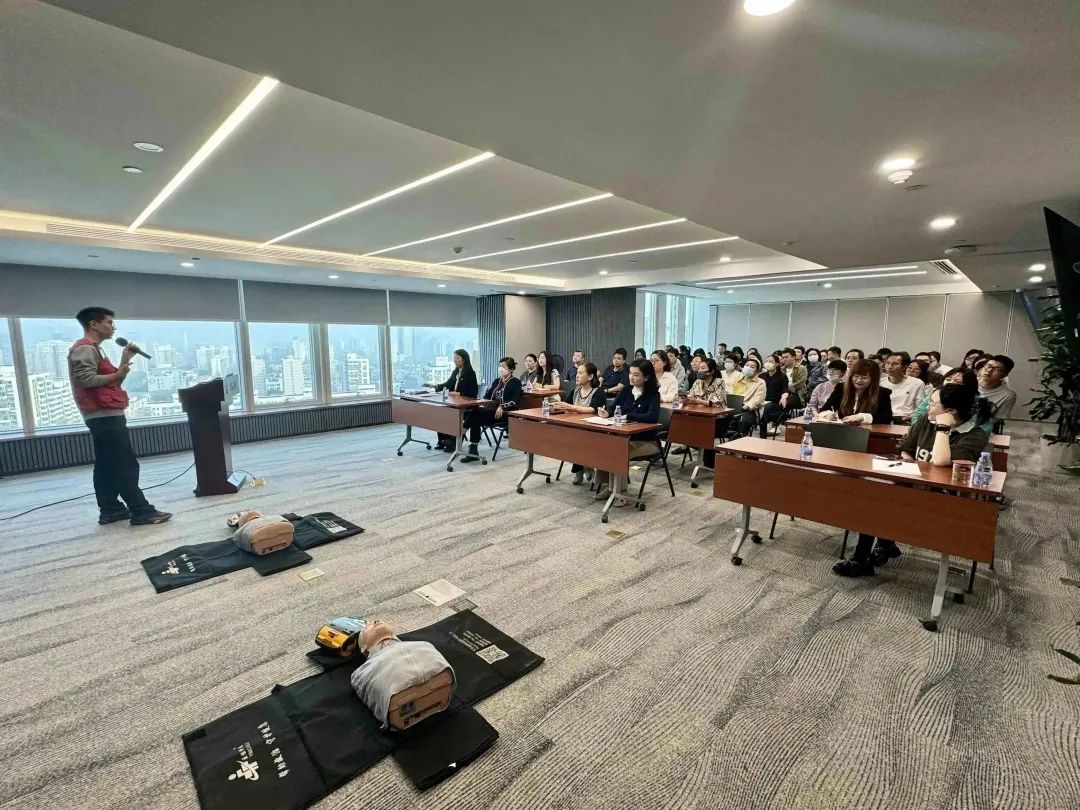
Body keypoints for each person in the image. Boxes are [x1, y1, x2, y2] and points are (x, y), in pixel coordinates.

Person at [833, 384, 991, 578]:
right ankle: (871, 552)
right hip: (913, 486)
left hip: (943, 498)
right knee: (875, 497)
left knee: (881, 504)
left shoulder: (974, 436)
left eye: (932, 404)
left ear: (951, 412)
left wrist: (943, 428)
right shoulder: (926, 420)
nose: (927, 408)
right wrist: (907, 473)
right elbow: (907, 448)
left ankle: (877, 548)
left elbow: (940, 461)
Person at [67, 307, 172, 526]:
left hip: (103, 412)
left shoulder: (97, 349)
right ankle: (141, 510)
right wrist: (117, 373)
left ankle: (111, 509)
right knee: (124, 463)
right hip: (102, 414)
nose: (113, 327)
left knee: (107, 463)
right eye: (109, 322)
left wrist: (125, 360)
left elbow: (112, 384)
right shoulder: (85, 348)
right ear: (94, 324)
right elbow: (87, 380)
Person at [350, 619, 454, 729]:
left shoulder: (425, 645)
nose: (375, 621)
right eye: (368, 627)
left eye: (376, 621)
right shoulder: (362, 673)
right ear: (364, 648)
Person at [594, 360, 661, 505]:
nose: (631, 377)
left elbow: (652, 417)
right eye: (630, 373)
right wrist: (607, 413)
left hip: (646, 441)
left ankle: (621, 493)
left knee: (618, 451)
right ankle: (610, 488)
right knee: (606, 447)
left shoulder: (653, 394)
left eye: (636, 375)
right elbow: (613, 410)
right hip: (623, 437)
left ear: (646, 377)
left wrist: (629, 416)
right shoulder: (625, 391)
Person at [552, 362, 605, 484]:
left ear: (590, 376)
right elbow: (566, 405)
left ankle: (581, 470)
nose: (577, 375)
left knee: (575, 439)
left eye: (580, 373)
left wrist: (572, 407)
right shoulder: (576, 390)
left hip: (593, 430)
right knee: (568, 438)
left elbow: (592, 409)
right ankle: (585, 467)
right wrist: (556, 406)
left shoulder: (598, 392)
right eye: (577, 373)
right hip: (576, 428)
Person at [461, 356, 522, 464]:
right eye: (500, 366)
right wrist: (480, 403)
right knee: (475, 414)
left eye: (504, 366)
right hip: (491, 412)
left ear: (511, 369)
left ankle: (462, 433)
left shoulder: (516, 382)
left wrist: (502, 406)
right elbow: (487, 396)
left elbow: (515, 401)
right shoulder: (496, 381)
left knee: (476, 413)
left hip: (506, 414)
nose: (501, 368)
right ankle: (473, 450)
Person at [424, 348, 478, 451]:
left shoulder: (470, 374)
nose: (455, 360)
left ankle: (452, 442)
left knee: (449, 414)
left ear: (464, 359)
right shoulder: (455, 372)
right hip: (454, 403)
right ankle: (442, 441)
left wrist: (456, 393)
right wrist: (433, 386)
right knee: (440, 413)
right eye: (454, 358)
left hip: (466, 405)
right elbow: (447, 385)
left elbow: (472, 393)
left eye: (457, 358)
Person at [817, 359, 893, 425]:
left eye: (864, 378)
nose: (859, 380)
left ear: (873, 379)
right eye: (856, 376)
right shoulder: (841, 388)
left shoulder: (882, 393)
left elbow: (886, 419)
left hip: (869, 433)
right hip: (843, 431)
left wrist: (862, 417)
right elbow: (825, 408)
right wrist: (827, 414)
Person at [880, 352, 925, 423]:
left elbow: (920, 407)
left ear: (905, 367)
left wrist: (910, 416)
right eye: (888, 363)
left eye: (895, 364)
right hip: (884, 419)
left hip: (906, 420)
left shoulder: (917, 383)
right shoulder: (880, 383)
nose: (890, 366)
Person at [979, 354, 1017, 422]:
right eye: (988, 366)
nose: (989, 370)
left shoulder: (1008, 394)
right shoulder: (967, 382)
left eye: (997, 369)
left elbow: (997, 419)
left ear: (1004, 375)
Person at [760, 353, 790, 436]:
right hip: (762, 400)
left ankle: (764, 432)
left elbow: (785, 390)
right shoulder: (761, 376)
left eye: (770, 361)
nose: (768, 363)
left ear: (776, 364)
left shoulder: (782, 376)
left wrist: (784, 397)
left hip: (775, 402)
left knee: (765, 408)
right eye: (766, 361)